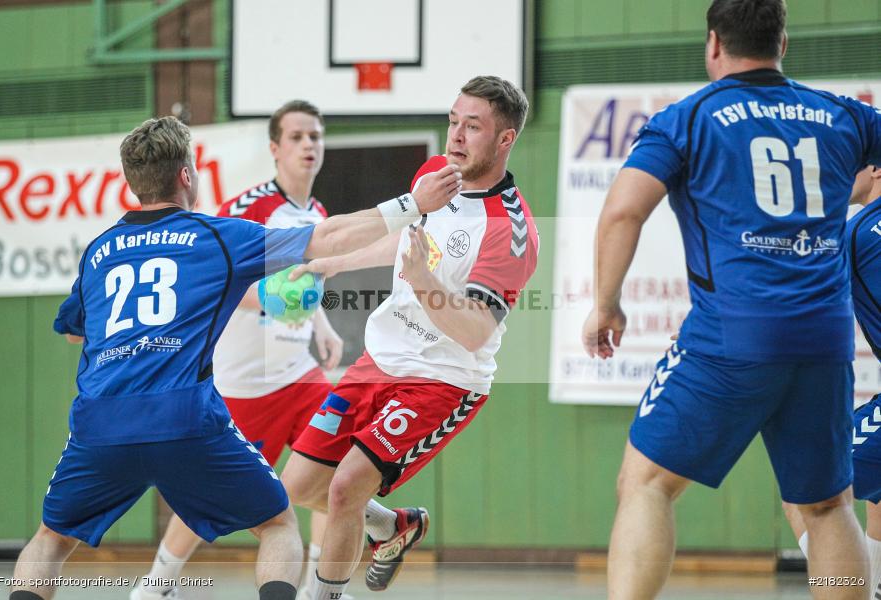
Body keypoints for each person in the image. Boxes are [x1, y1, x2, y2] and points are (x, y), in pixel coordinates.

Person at [8, 115, 461, 600]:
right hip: (186, 413)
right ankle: (172, 583)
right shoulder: (217, 237)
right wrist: (414, 204)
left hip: (101, 420)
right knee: (277, 524)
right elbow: (327, 238)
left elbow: (75, 333)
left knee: (51, 539)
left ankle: (159, 584)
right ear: (187, 175)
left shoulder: (99, 251)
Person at [580, 0, 881, 597]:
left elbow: (622, 211)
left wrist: (606, 303)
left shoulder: (688, 118)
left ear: (714, 43)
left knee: (645, 484)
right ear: (783, 43)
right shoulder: (843, 115)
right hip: (824, 343)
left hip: (731, 337)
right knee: (827, 505)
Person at [281, 75, 537, 600]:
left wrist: (423, 283)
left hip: (443, 380)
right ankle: (390, 525)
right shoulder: (435, 177)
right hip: (380, 359)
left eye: (473, 126)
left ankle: (326, 594)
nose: (457, 136)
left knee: (346, 487)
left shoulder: (510, 232)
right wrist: (335, 264)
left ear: (505, 139)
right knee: (298, 489)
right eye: (453, 121)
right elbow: (406, 240)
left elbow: (474, 331)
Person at [130, 100, 351, 600]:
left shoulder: (316, 214)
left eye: (315, 136)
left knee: (332, 474)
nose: (308, 145)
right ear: (275, 148)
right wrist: (271, 303)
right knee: (210, 496)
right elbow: (214, 274)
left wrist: (323, 326)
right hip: (246, 382)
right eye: (296, 137)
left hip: (299, 373)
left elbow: (307, 278)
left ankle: (322, 587)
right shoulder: (248, 207)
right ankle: (158, 583)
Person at [783, 165, 881, 596]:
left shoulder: (856, 233)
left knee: (805, 486)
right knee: (875, 494)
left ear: (876, 168)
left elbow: (795, 298)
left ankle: (846, 588)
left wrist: (717, 326)